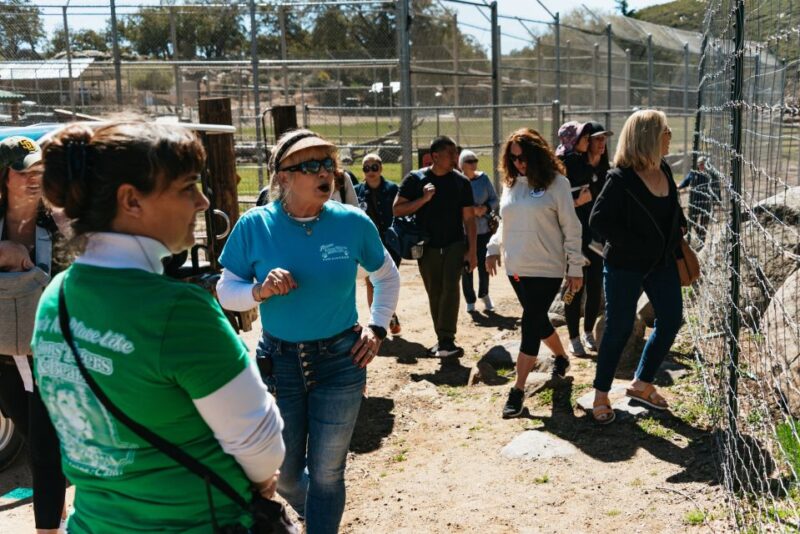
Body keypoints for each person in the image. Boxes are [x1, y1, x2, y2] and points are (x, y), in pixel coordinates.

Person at [34, 121, 286, 532]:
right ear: (131, 200)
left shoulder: (55, 297)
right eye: (187, 187)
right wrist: (259, 480)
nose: (203, 202)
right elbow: (262, 446)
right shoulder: (178, 312)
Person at [216, 128, 400, 534]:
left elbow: (386, 275)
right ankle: (316, 515)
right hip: (279, 362)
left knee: (328, 473)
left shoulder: (352, 222)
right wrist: (259, 290)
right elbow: (226, 292)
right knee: (283, 475)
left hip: (341, 361)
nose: (326, 173)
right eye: (311, 165)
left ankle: (319, 523)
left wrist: (377, 327)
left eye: (329, 164)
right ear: (282, 177)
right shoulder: (254, 225)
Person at [588, 110, 687, 424]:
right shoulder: (620, 178)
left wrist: (680, 230)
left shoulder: (665, 170)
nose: (670, 134)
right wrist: (638, 245)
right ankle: (601, 395)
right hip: (625, 265)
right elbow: (598, 221)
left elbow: (671, 211)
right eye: (665, 130)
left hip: (662, 263)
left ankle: (641, 383)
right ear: (649, 137)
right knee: (618, 328)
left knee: (671, 320)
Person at [486, 128, 584, 419]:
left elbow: (571, 227)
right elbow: (505, 222)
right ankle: (562, 357)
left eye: (524, 157)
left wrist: (575, 266)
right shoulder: (511, 184)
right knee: (538, 318)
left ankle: (517, 390)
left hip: (547, 267)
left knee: (529, 322)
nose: (519, 163)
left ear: (537, 154)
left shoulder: (558, 184)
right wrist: (492, 247)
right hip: (517, 267)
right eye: (513, 158)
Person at [0, 136, 68, 534]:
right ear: (4, 177)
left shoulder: (56, 220)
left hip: (49, 351)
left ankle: (47, 528)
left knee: (44, 450)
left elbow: (90, 263)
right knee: (25, 428)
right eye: (23, 171)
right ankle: (56, 505)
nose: (32, 179)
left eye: (38, 171)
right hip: (4, 354)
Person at [393, 136, 477, 358]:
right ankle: (442, 339)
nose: (455, 158)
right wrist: (423, 199)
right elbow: (397, 209)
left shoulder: (461, 182)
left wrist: (472, 250)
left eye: (455, 154)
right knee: (435, 292)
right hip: (427, 247)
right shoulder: (415, 179)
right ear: (435, 156)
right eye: (450, 154)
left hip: (455, 244)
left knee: (450, 288)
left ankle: (447, 339)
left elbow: (469, 219)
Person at [559, 121, 613, 356]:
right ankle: (572, 337)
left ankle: (588, 332)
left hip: (597, 239)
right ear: (586, 141)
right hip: (575, 238)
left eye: (604, 139)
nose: (602, 143)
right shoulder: (571, 165)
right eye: (597, 138)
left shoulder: (605, 170)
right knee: (574, 287)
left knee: (594, 287)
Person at [354, 152, 402, 335]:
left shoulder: (392, 189)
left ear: (381, 168)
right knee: (370, 281)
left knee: (387, 280)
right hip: (367, 243)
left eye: (374, 167)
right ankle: (380, 320)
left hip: (390, 242)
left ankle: (388, 315)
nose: (371, 171)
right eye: (367, 168)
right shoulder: (358, 191)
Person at [458, 149, 498, 313]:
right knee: (466, 266)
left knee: (484, 264)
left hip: (483, 230)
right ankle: (470, 299)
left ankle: (484, 293)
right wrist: (469, 211)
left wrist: (485, 208)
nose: (473, 164)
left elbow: (495, 199)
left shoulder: (483, 179)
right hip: (464, 231)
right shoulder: (457, 181)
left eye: (475, 160)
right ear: (461, 164)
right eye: (469, 161)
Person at [678, 156, 719, 245]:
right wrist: (678, 187)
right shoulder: (694, 173)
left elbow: (716, 187)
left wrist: (717, 200)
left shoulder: (712, 174)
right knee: (692, 221)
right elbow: (685, 182)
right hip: (695, 202)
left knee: (704, 224)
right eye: (700, 164)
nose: (702, 166)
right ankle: (699, 234)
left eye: (704, 164)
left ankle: (702, 242)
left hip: (706, 203)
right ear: (697, 165)